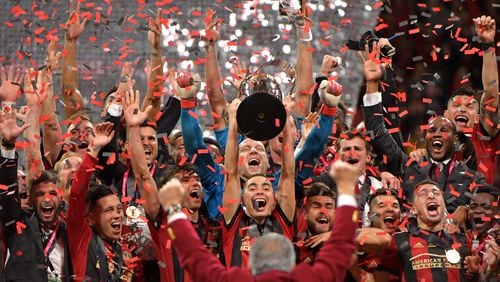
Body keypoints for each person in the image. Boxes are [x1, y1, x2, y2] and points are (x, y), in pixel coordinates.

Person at [156, 160, 359, 281]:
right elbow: (341, 248)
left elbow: (194, 257)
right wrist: (348, 192)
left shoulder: (236, 279)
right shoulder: (308, 278)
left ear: (251, 264)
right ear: (292, 263)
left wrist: (174, 210)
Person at [360, 41, 486, 213]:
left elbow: (485, 210)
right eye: (432, 130)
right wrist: (373, 84)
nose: (436, 134)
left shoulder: (474, 178)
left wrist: (464, 212)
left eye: (443, 130)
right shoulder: (409, 167)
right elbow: (377, 130)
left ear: (455, 139)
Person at [357, 180, 498, 281]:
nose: (431, 195)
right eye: (423, 194)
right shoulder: (399, 240)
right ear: (413, 209)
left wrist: (480, 273)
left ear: (443, 205)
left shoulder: (462, 240)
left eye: (436, 193)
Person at [0, 110, 72, 281]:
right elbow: (6, 191)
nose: (47, 199)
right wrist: (8, 146)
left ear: (60, 197)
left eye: (52, 193)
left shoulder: (71, 230)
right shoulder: (18, 224)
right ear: (31, 199)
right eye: (40, 194)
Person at [67, 122, 135, 281]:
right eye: (108, 210)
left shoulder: (125, 248)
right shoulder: (82, 236)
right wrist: (94, 150)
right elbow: (77, 193)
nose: (117, 215)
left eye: (118, 209)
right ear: (91, 218)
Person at [295, 182, 336, 264]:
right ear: (304, 214)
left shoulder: (348, 244)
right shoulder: (294, 250)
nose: (323, 211)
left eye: (329, 207)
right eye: (316, 206)